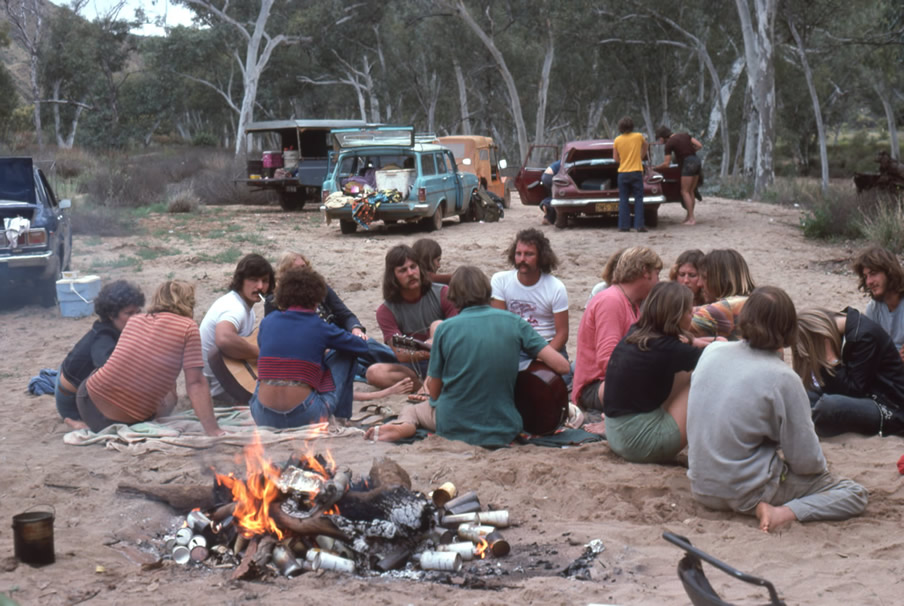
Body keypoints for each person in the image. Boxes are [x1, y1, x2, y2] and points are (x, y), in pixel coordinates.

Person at [687, 286, 867, 533]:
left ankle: (758, 503)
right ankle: (781, 512)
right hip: (746, 489)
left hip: (702, 486)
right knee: (852, 493)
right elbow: (808, 464)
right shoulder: (783, 378)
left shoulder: (713, 352)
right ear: (788, 329)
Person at [364, 266, 569, 446]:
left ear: (454, 296)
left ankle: (405, 424)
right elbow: (563, 366)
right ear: (487, 291)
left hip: (454, 425)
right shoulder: (515, 323)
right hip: (505, 426)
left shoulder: (445, 330)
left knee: (412, 408)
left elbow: (434, 393)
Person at [76, 281, 223, 437]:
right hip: (127, 419)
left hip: (87, 404)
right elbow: (195, 383)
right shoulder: (188, 327)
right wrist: (213, 429)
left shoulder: (135, 320)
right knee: (168, 390)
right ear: (189, 302)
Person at [264, 251, 410, 399]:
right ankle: (397, 370)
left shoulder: (317, 288)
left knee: (365, 344)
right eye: (296, 269)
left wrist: (355, 329)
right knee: (348, 355)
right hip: (320, 351)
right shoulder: (276, 305)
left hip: (335, 339)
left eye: (304, 267)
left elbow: (345, 314)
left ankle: (409, 363)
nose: (302, 272)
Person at [597, 282, 705, 463]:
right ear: (676, 317)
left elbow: (682, 345)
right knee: (700, 377)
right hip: (642, 445)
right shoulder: (670, 350)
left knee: (684, 371)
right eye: (688, 311)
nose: (692, 314)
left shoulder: (637, 333)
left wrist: (703, 343)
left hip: (617, 435)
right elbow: (714, 360)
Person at [249, 267, 369, 429]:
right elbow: (361, 347)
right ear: (317, 298)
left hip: (262, 415)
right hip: (305, 416)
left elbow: (263, 348)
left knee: (269, 370)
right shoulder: (319, 326)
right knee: (347, 353)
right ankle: (341, 418)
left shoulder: (267, 322)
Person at [573, 246, 663, 418]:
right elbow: (608, 361)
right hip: (595, 387)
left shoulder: (631, 303)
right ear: (645, 271)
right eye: (657, 274)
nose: (658, 281)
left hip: (611, 382)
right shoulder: (612, 301)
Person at [793, 307, 904, 437]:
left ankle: (803, 424)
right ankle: (802, 419)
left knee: (828, 406)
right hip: (865, 395)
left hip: (889, 406)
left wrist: (831, 360)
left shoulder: (864, 336)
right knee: (804, 393)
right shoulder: (847, 328)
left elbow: (853, 390)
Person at [55, 280, 145, 430]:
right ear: (111, 315)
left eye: (137, 312)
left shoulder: (118, 329)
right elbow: (109, 369)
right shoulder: (102, 338)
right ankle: (73, 421)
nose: (135, 318)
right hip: (70, 400)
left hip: (70, 376)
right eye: (129, 313)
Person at [375, 244, 458, 398]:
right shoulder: (386, 311)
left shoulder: (442, 293)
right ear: (393, 277)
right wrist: (431, 348)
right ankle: (427, 385)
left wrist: (431, 345)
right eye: (403, 270)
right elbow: (401, 353)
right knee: (374, 372)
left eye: (413, 267)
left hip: (446, 362)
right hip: (414, 366)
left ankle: (429, 386)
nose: (411, 273)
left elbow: (456, 333)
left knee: (438, 326)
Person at [490, 228, 570, 384]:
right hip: (514, 346)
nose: (522, 259)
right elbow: (499, 325)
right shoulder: (500, 281)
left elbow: (562, 334)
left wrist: (543, 356)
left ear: (541, 257)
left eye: (529, 254)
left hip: (547, 344)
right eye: (518, 253)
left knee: (561, 384)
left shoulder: (556, 287)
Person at [199, 253, 274, 404]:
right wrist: (261, 355)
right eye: (253, 280)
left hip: (230, 380)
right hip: (220, 391)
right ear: (240, 281)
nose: (259, 286)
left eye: (265, 281)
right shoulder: (234, 308)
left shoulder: (247, 310)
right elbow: (224, 339)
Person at [690, 248, 756, 341]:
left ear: (721, 279)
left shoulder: (723, 308)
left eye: (705, 277)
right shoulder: (757, 300)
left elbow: (672, 328)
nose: (699, 284)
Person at [852, 246, 904, 361]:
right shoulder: (873, 308)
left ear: (890, 272)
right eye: (866, 276)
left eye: (873, 273)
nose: (869, 282)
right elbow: (870, 347)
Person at [652, 126, 703, 225]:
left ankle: (692, 219)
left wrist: (655, 168)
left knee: (684, 191)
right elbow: (699, 145)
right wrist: (689, 152)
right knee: (691, 191)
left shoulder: (669, 144)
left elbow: (666, 164)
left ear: (662, 137)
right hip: (696, 161)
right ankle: (689, 216)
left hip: (688, 164)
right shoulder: (685, 135)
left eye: (660, 139)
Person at [612, 116, 649, 232]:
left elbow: (615, 158)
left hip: (623, 172)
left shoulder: (617, 140)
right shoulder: (638, 136)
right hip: (636, 171)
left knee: (623, 199)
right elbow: (646, 146)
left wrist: (623, 161)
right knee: (638, 198)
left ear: (620, 127)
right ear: (632, 126)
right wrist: (640, 157)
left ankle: (623, 226)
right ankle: (639, 225)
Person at [538, 159, 561, 226]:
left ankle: (548, 218)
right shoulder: (566, 161)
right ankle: (546, 203)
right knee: (559, 196)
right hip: (550, 177)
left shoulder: (562, 160)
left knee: (554, 196)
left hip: (546, 175)